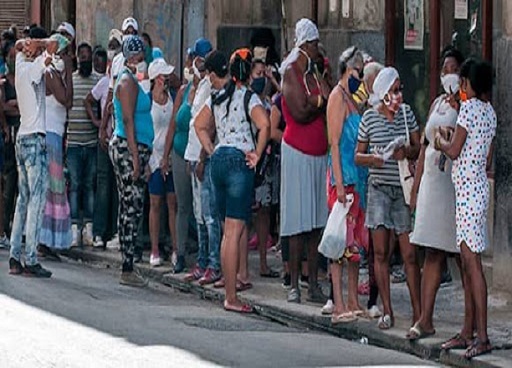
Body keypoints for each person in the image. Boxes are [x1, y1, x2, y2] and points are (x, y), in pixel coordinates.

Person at [195, 49, 270, 313]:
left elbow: (199, 125)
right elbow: (264, 124)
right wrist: (257, 154)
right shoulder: (248, 97)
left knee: (227, 231)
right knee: (236, 230)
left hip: (219, 160)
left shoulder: (216, 98)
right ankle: (231, 296)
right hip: (239, 161)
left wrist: (211, 148)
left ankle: (228, 291)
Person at [435, 58, 496, 359]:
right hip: (477, 190)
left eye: (463, 82)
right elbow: (486, 157)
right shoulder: (490, 113)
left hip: (468, 192)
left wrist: (441, 142)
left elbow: (456, 149)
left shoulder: (469, 109)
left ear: (469, 85)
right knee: (470, 261)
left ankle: (480, 335)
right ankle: (468, 329)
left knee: (471, 264)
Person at [355, 67, 421, 330]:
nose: (398, 95)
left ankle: (418, 313)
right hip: (379, 188)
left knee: (409, 254)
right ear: (382, 93)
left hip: (402, 190)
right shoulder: (369, 118)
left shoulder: (407, 115)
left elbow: (418, 148)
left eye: (400, 89)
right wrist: (375, 158)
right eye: (393, 90)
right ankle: (388, 311)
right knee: (380, 252)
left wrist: (406, 151)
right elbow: (358, 156)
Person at [406, 48, 464, 340]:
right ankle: (425, 318)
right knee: (431, 250)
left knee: (460, 256)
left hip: (452, 182)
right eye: (444, 69)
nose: (447, 74)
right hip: (430, 180)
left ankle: (472, 323)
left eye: (453, 68)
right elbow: (426, 145)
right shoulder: (437, 102)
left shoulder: (466, 106)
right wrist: (415, 189)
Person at [279, 18, 330, 304]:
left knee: (315, 221)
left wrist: (318, 103)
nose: (315, 49)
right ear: (306, 44)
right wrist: (317, 106)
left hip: (318, 152)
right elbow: (299, 111)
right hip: (297, 150)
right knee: (298, 219)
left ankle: (313, 283)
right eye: (313, 45)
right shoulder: (291, 71)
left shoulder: (313, 71)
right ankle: (295, 283)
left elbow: (327, 96)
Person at [9, 28, 58, 277]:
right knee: (36, 202)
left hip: (21, 137)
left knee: (23, 201)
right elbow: (54, 45)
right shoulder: (35, 67)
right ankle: (30, 259)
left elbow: (18, 48)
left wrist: (26, 43)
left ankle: (15, 256)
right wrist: (40, 46)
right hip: (35, 139)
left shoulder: (20, 65)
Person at [161, 38, 213, 274]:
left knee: (203, 209)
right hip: (181, 152)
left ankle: (206, 257)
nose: (192, 63)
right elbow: (173, 124)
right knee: (183, 206)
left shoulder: (210, 89)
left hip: (200, 154)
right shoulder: (183, 90)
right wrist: (165, 156)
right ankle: (180, 252)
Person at [325, 47, 368, 324]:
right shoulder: (337, 99)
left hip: (359, 179)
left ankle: (352, 299)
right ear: (345, 69)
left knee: (355, 247)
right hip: (345, 179)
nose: (360, 77)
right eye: (357, 71)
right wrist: (339, 185)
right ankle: (339, 303)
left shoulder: (353, 100)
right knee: (340, 243)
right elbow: (335, 144)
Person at [110, 35, 154, 287]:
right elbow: (127, 121)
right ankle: (127, 266)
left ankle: (128, 263)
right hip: (128, 149)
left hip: (134, 149)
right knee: (131, 206)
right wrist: (137, 158)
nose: (142, 61)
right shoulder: (126, 82)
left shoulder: (132, 81)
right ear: (130, 57)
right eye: (139, 57)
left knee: (131, 205)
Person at [86, 29, 122, 248]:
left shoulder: (125, 79)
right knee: (103, 185)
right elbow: (90, 101)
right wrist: (99, 125)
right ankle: (99, 232)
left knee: (117, 188)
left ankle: (114, 231)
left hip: (118, 139)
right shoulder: (105, 82)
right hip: (106, 140)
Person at [38, 34, 74, 257]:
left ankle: (47, 240)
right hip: (50, 134)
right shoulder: (50, 74)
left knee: (54, 190)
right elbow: (66, 100)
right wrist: (68, 70)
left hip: (55, 134)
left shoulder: (54, 72)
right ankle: (43, 240)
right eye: (65, 53)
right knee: (52, 189)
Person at [67, 42, 100, 247]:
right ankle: (73, 229)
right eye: (83, 56)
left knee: (89, 186)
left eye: (88, 56)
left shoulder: (98, 81)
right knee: (75, 186)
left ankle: (88, 228)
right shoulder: (70, 80)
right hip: (73, 142)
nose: (86, 59)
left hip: (91, 142)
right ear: (78, 59)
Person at [250, 57, 280, 278]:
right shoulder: (248, 101)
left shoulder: (268, 101)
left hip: (267, 164)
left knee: (264, 212)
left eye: (264, 74)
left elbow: (282, 97)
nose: (262, 78)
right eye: (258, 74)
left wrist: (272, 80)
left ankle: (262, 262)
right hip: (252, 160)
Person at [146, 58, 177, 267]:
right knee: (155, 203)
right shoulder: (147, 101)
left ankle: (176, 248)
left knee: (172, 203)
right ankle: (155, 248)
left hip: (171, 158)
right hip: (154, 158)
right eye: (163, 75)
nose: (167, 78)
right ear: (156, 78)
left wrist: (167, 158)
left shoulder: (173, 98)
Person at [1, 38, 19, 244]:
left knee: (22, 186)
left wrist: (14, 105)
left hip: (23, 132)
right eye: (11, 56)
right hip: (9, 134)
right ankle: (4, 228)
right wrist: (15, 106)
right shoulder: (4, 81)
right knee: (8, 184)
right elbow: (3, 107)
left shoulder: (22, 80)